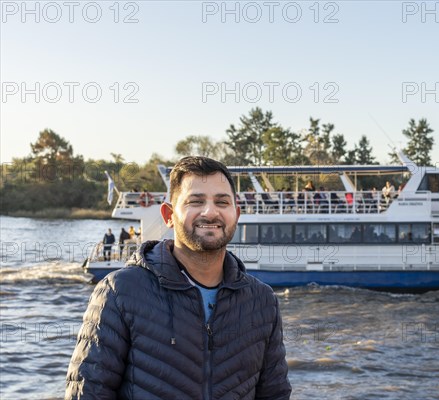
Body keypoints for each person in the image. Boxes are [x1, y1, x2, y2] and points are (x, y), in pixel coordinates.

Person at [66, 156, 292, 399]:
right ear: (168, 215)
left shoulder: (261, 300)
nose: (210, 212)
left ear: (236, 214)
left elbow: (274, 393)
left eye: (222, 202)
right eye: (196, 201)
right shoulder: (120, 292)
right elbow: (87, 392)